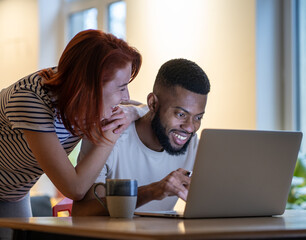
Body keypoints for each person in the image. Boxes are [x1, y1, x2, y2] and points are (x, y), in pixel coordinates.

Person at [0, 29, 143, 240]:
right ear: (89, 86)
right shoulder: (31, 100)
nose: (126, 96)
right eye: (121, 88)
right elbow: (74, 188)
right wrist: (110, 136)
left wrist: (134, 111)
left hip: (12, 189)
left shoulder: (86, 99)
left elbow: (146, 107)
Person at [72, 58, 210, 216]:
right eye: (180, 114)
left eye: (198, 117)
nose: (190, 127)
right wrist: (153, 191)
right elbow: (83, 211)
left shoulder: (191, 143)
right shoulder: (110, 131)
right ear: (152, 104)